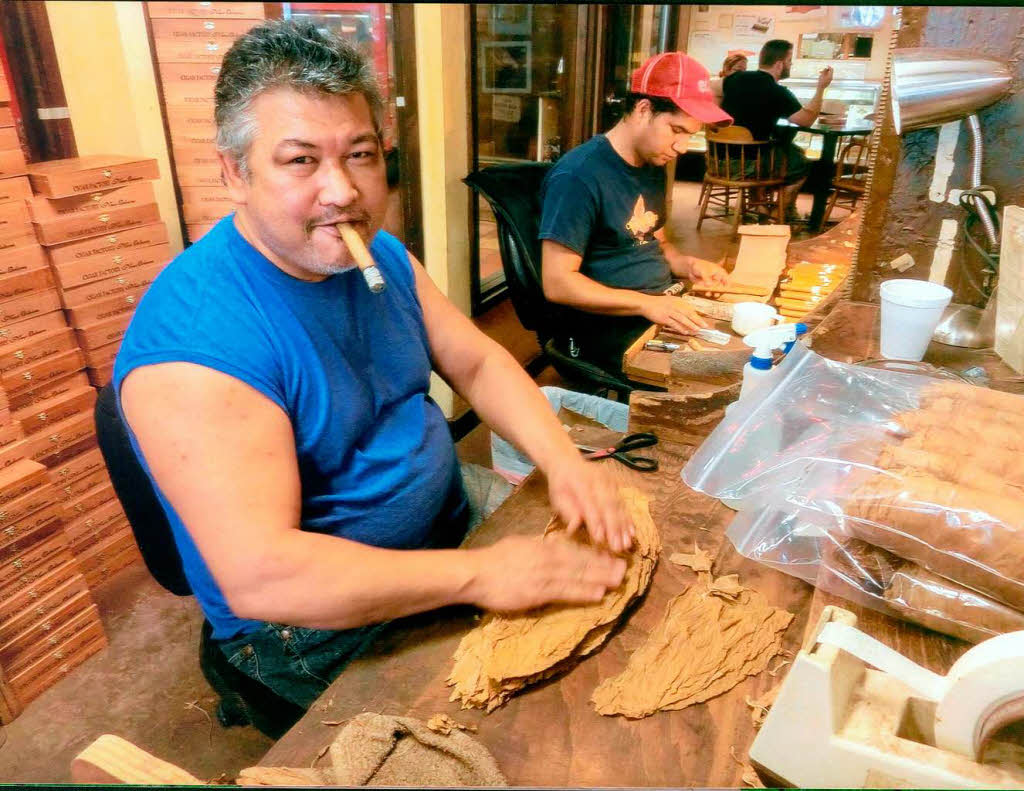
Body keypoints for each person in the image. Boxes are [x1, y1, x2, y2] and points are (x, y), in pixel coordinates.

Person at [113, 20, 632, 710]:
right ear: (234, 173)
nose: (342, 192)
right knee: (534, 722)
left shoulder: (375, 251)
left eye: (360, 154)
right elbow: (264, 577)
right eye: (300, 161)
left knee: (620, 570)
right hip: (309, 619)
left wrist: (562, 458)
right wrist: (479, 575)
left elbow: (476, 362)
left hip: (446, 518)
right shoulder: (198, 344)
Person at [540, 52, 733, 377]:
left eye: (691, 135)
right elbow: (557, 284)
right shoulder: (578, 176)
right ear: (644, 110)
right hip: (606, 324)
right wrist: (647, 304)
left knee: (746, 348)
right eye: (676, 130)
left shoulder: (652, 164)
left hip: (659, 302)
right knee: (711, 378)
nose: (682, 147)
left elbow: (655, 243)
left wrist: (686, 264)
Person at [721, 39, 833, 219]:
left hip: (719, 160)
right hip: (749, 165)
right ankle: (782, 210)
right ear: (780, 64)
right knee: (801, 163)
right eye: (790, 61)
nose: (791, 65)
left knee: (785, 150)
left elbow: (714, 89)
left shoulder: (734, 78)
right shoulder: (777, 91)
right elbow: (806, 120)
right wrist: (821, 87)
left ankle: (760, 205)